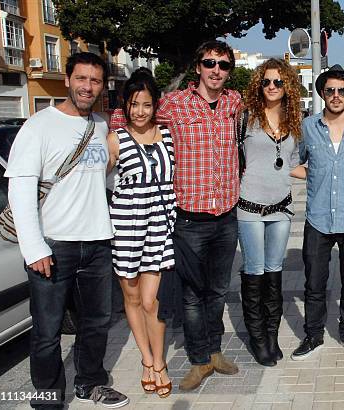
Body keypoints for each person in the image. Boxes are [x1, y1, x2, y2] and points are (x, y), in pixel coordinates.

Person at [5, 52, 129, 408]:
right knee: (47, 332)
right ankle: (47, 398)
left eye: (95, 81)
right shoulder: (39, 125)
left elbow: (101, 178)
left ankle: (90, 383)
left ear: (102, 86)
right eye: (82, 79)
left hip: (97, 241)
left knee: (97, 323)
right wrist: (34, 247)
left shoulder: (102, 125)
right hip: (54, 246)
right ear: (68, 79)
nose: (87, 87)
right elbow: (21, 189)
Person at [154, 40, 242, 391]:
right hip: (190, 218)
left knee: (218, 290)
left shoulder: (234, 102)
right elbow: (131, 115)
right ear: (198, 67)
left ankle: (216, 350)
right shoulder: (175, 104)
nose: (216, 70)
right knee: (192, 294)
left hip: (226, 215)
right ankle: (199, 359)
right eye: (210, 63)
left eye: (223, 65)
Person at [106, 68, 176, 397]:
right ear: (125, 105)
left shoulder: (167, 136)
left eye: (146, 104)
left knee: (152, 302)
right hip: (126, 228)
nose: (140, 111)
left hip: (160, 227)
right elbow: (93, 179)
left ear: (155, 105)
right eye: (134, 104)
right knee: (132, 298)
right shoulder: (115, 139)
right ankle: (146, 360)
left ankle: (159, 361)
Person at [290, 65, 344, 360]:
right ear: (322, 93)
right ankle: (313, 335)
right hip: (317, 217)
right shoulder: (308, 127)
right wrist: (314, 175)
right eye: (330, 90)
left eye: (342, 91)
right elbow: (293, 162)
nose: (336, 96)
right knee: (314, 283)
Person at [238, 59, 303, 366]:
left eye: (278, 82)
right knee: (255, 270)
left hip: (281, 207)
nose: (272, 87)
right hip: (249, 205)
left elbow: (292, 165)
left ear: (287, 85)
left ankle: (272, 334)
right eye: (266, 82)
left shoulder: (293, 121)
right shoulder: (245, 117)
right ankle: (258, 337)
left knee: (274, 272)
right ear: (259, 85)